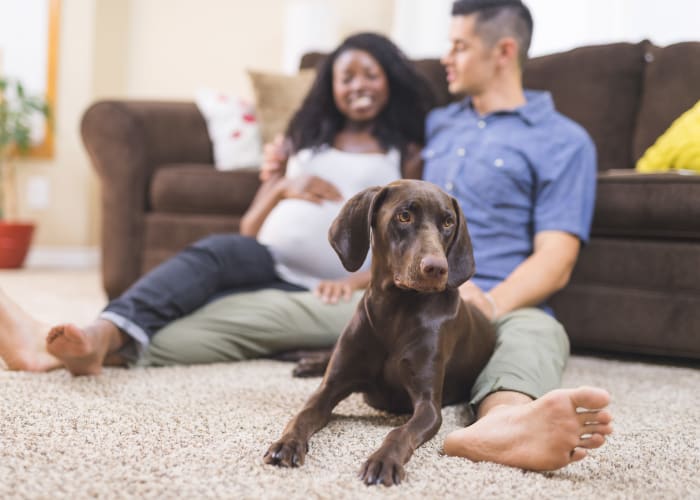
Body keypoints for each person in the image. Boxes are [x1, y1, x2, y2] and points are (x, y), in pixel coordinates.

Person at [135, 0, 614, 472]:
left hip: (501, 303)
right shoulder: (435, 125)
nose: (446, 56)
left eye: (459, 45)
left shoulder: (563, 141)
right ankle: (128, 340)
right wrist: (283, 162)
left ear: (503, 50)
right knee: (235, 319)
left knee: (537, 335)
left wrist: (485, 302)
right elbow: (354, 127)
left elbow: (557, 259)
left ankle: (506, 423)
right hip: (389, 295)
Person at [0, 32, 435, 375]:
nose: (359, 85)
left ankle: (80, 344)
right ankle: (99, 334)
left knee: (198, 319)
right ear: (331, 87)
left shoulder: (406, 151)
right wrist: (284, 186)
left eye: (370, 75)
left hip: (323, 285)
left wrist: (356, 281)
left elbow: (410, 239)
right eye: (347, 77)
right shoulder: (305, 142)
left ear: (390, 81)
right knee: (210, 255)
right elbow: (249, 228)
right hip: (265, 260)